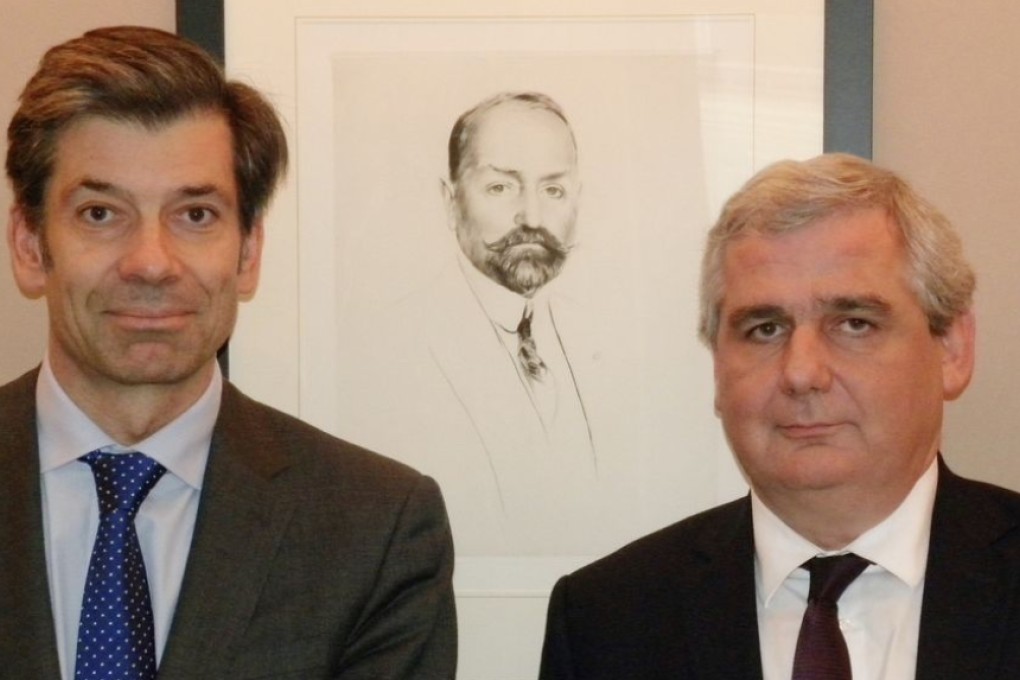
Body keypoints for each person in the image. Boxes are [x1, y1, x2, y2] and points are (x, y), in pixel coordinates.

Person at [0, 26, 455, 679]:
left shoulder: (374, 529)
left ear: (247, 254)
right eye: (101, 213)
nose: (151, 263)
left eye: (196, 216)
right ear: (29, 244)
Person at [539, 153, 1020, 678]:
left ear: (951, 348)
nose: (801, 372)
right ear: (717, 367)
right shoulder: (607, 620)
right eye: (764, 329)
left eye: (854, 323)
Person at [336, 92, 608, 554]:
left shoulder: (600, 343)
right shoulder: (387, 350)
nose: (532, 218)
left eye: (553, 189)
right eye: (501, 188)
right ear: (450, 199)